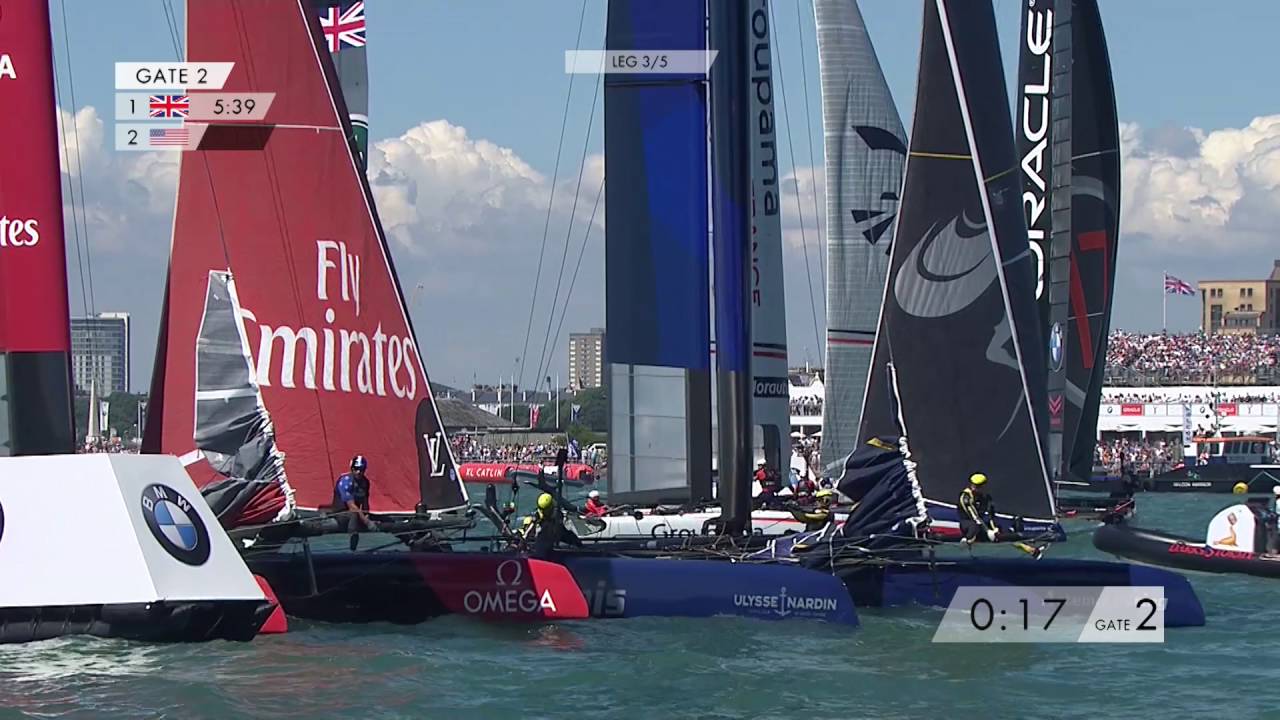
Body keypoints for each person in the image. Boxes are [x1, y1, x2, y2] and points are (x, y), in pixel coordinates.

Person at [958, 472, 1043, 559]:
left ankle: (1030, 550)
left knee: (1001, 534)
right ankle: (966, 541)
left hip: (981, 525)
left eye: (979, 486)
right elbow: (974, 516)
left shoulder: (987, 498)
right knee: (974, 526)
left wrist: (994, 529)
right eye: (974, 485)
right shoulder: (965, 497)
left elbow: (991, 516)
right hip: (968, 524)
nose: (975, 488)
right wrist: (987, 531)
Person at [332, 455, 376, 551]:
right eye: (356, 469)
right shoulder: (345, 481)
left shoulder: (365, 482)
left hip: (358, 513)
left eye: (361, 469)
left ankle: (409, 539)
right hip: (341, 513)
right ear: (352, 469)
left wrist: (367, 514)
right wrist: (366, 521)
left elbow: (365, 502)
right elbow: (351, 505)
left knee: (382, 518)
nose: (358, 472)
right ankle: (353, 537)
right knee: (354, 514)